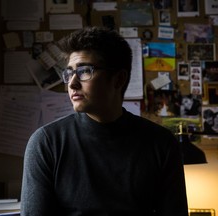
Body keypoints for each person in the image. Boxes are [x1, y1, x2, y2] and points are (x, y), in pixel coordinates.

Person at [20, 26, 188, 216]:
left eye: (84, 71)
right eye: (68, 73)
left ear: (118, 79)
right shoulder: (46, 143)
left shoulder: (161, 144)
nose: (72, 83)